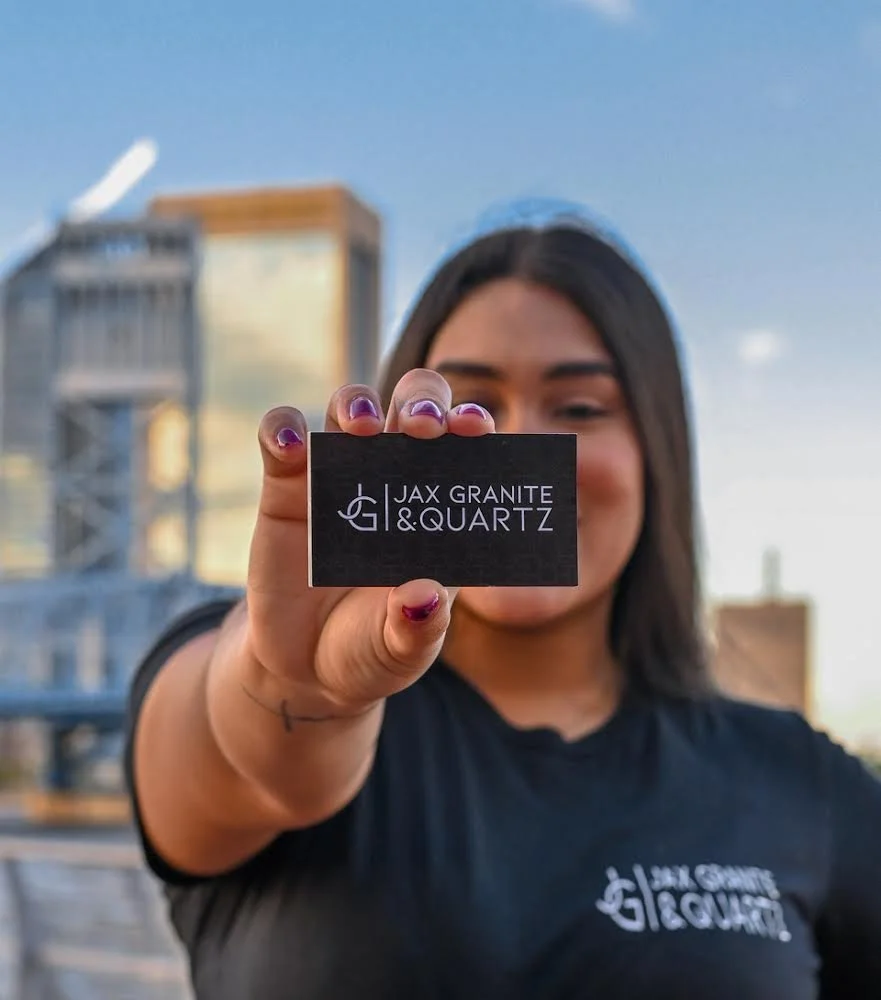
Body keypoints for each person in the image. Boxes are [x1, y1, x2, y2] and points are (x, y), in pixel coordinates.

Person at [124, 214, 881, 1000]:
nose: (518, 450)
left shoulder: (800, 783)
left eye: (579, 409)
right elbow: (253, 746)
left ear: (657, 447)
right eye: (469, 404)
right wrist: (297, 692)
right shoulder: (258, 661)